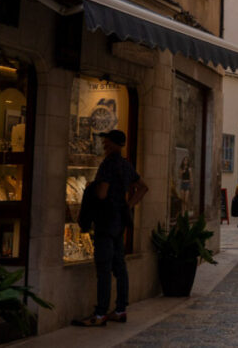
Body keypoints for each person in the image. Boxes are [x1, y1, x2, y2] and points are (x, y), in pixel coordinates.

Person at [73, 129, 148, 327]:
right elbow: (143, 187)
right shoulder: (126, 165)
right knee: (120, 267)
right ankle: (121, 309)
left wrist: (92, 187)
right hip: (119, 220)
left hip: (105, 221)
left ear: (113, 144)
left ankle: (100, 314)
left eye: (106, 142)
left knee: (104, 268)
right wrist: (128, 205)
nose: (104, 145)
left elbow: (102, 194)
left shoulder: (108, 164)